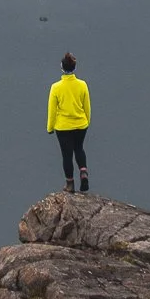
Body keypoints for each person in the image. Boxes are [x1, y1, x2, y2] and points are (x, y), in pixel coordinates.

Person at [47, 51, 90, 194]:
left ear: (61, 67)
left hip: (63, 126)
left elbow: (52, 110)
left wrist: (50, 127)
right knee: (79, 148)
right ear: (74, 67)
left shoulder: (56, 87)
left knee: (67, 155)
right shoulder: (82, 85)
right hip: (81, 124)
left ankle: (70, 184)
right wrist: (86, 121)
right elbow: (87, 106)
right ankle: (83, 172)